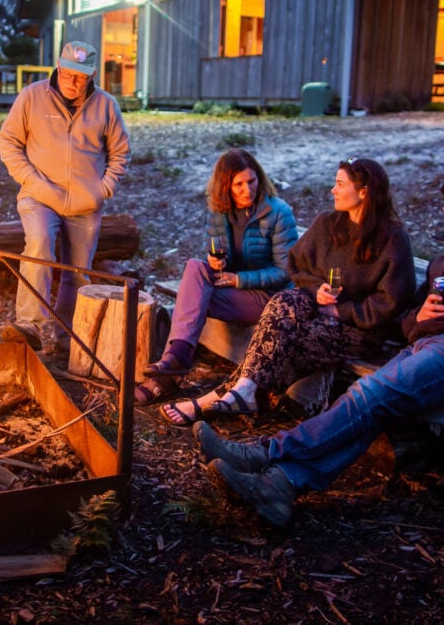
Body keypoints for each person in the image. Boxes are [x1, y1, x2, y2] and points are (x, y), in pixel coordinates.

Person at [194, 213, 444, 528]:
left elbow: (389, 307)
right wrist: (419, 317)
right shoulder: (440, 263)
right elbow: (406, 323)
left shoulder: (394, 239)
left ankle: (267, 451)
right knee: (370, 405)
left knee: (370, 393)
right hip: (422, 345)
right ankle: (279, 486)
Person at [160, 157, 417, 425]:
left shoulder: (392, 239)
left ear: (363, 191)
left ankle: (214, 399)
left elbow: (392, 302)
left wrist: (341, 310)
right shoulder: (327, 223)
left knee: (286, 342)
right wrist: (316, 290)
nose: (333, 190)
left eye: (340, 184)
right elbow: (297, 266)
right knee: (283, 301)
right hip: (318, 307)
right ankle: (244, 391)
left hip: (360, 328)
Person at [135, 148, 298, 407]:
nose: (247, 190)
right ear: (226, 186)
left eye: (251, 181)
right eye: (239, 184)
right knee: (195, 267)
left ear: (259, 179)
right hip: (235, 291)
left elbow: (285, 271)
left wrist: (238, 280)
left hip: (269, 298)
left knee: (192, 301)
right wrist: (216, 262)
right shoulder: (220, 211)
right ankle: (177, 356)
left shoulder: (278, 212)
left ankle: (168, 374)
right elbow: (216, 252)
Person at [0, 41, 131, 352]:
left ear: (92, 75)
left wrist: (103, 188)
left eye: (81, 76)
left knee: (78, 271)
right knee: (39, 244)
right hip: (39, 196)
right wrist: (30, 180)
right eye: (68, 73)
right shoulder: (32, 96)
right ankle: (29, 324)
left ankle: (66, 340)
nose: (73, 82)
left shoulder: (106, 105)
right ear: (58, 67)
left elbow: (120, 152)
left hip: (86, 203)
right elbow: (8, 141)